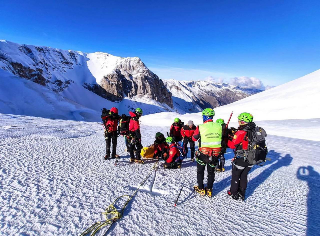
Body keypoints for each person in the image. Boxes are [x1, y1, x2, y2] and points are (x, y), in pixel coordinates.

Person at [192, 108, 222, 197]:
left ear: (205, 117)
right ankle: (209, 189)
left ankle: (201, 188)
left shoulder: (200, 126)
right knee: (211, 172)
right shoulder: (219, 126)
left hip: (203, 153)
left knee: (200, 171)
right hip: (215, 154)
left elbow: (194, 138)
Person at [227, 112, 255, 201]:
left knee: (236, 175)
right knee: (244, 176)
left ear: (243, 122)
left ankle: (234, 192)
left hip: (242, 158)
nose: (238, 122)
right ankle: (242, 193)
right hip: (252, 158)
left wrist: (227, 139)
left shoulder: (241, 132)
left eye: (239, 120)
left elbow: (232, 145)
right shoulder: (255, 130)